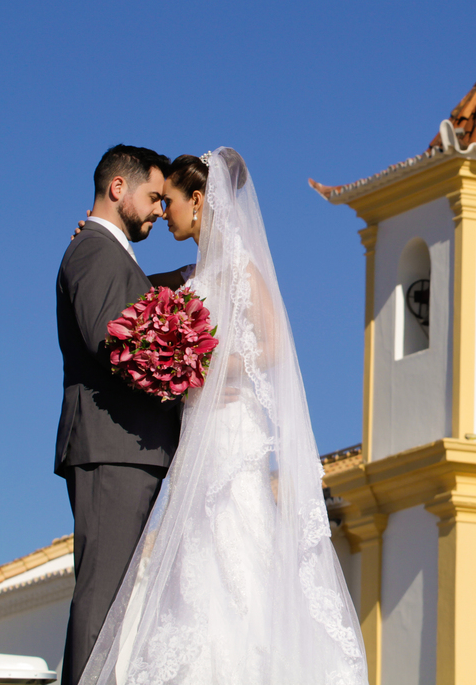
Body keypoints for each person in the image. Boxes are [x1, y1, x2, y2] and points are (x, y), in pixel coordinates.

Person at [77, 147, 366, 685]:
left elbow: (275, 348)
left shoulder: (241, 269)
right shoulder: (190, 275)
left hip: (233, 433)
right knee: (196, 560)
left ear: (200, 200)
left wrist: (211, 370)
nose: (164, 212)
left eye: (171, 201)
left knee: (236, 543)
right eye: (156, 201)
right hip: (198, 438)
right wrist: (95, 234)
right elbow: (138, 299)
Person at [55, 145, 183, 685]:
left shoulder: (111, 255)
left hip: (128, 449)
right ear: (117, 189)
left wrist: (189, 277)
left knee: (118, 600)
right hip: (112, 449)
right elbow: (117, 338)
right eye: (153, 197)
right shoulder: (93, 250)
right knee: (103, 596)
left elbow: (137, 304)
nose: (158, 209)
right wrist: (189, 373)